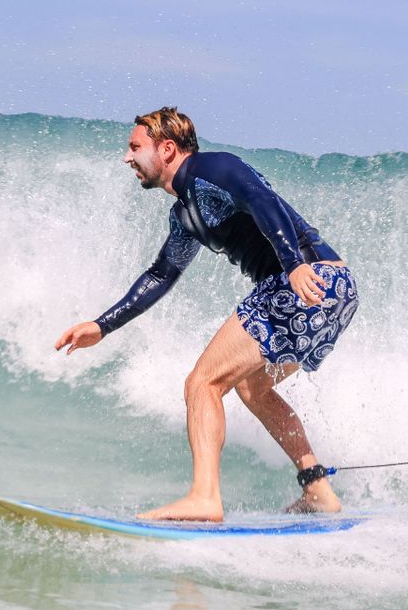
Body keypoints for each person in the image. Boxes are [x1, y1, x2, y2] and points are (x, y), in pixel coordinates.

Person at [55, 107, 359, 521]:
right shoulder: (185, 214)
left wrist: (293, 263)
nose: (127, 158)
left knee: (202, 383)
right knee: (254, 389)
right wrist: (102, 325)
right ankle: (318, 487)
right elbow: (161, 274)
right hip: (334, 292)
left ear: (167, 148)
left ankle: (204, 497)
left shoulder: (213, 169)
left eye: (134, 147)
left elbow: (262, 199)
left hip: (306, 280)